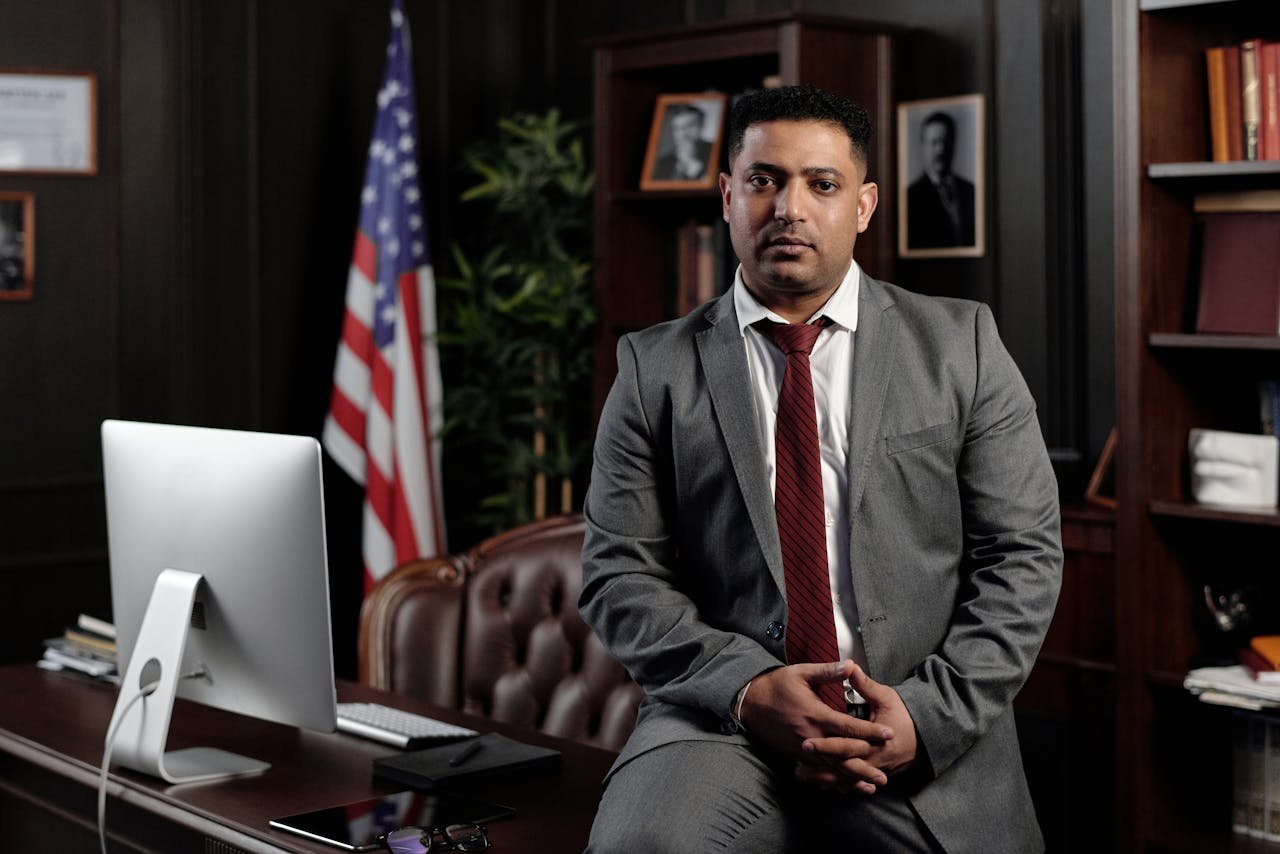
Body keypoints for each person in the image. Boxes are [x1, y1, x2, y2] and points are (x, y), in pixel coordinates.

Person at [580, 83, 1061, 852]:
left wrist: (926, 715)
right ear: (728, 195)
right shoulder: (653, 368)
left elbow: (1024, 559)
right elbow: (617, 575)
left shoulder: (962, 346)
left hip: (910, 720)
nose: (789, 208)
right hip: (722, 722)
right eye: (765, 180)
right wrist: (747, 689)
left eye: (822, 184)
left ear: (864, 205)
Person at [906, 110, 976, 249]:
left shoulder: (970, 190)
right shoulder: (911, 198)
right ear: (923, 146)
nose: (940, 150)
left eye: (945, 142)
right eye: (934, 142)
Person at [650, 102, 714, 182]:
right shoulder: (664, 161)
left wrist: (691, 164)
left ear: (702, 125)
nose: (683, 134)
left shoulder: (715, 152)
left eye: (690, 126)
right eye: (677, 128)